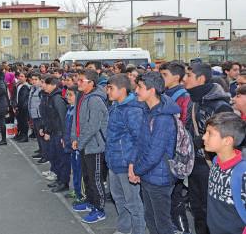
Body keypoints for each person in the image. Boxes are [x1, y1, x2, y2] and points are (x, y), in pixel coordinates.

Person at [183, 63, 234, 234]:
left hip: (212, 166)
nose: (185, 79)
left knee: (211, 212)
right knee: (197, 210)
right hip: (195, 165)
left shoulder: (220, 106)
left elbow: (226, 139)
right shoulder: (195, 101)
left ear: (201, 79)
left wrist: (194, 142)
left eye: (189, 75)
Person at [132, 71, 179, 234]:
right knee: (151, 219)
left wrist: (136, 170)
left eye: (140, 87)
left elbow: (154, 154)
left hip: (160, 178)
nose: (136, 90)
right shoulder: (149, 111)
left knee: (162, 224)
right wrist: (135, 167)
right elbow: (141, 143)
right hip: (148, 175)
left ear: (152, 90)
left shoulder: (163, 118)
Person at [106, 74, 146, 234]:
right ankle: (124, 228)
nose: (107, 91)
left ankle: (138, 230)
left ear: (122, 90)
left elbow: (138, 139)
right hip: (114, 160)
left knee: (133, 203)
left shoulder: (133, 110)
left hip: (126, 163)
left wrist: (133, 164)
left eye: (111, 88)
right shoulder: (116, 106)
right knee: (119, 198)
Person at [72, 69, 108, 224]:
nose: (78, 82)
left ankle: (99, 209)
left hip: (95, 146)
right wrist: (74, 137)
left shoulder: (95, 100)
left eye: (81, 80)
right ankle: (90, 202)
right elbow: (76, 120)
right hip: (84, 144)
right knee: (86, 177)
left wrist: (80, 142)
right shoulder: (82, 96)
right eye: (78, 80)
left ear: (91, 83)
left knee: (95, 179)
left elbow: (93, 126)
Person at [160, 61, 192, 234]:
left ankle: (182, 229)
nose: (161, 78)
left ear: (177, 77)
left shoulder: (183, 96)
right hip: (163, 151)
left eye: (165, 75)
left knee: (176, 198)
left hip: (175, 153)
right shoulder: (163, 93)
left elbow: (183, 125)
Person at [203, 112, 246, 234]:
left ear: (227, 141)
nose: (204, 137)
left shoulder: (242, 172)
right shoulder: (216, 161)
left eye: (210, 134)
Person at [42, 77, 68, 193]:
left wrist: (64, 136)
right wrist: (47, 130)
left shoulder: (57, 98)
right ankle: (59, 179)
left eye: (46, 84)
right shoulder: (50, 97)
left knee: (62, 159)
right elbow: (50, 117)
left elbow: (62, 118)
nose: (44, 86)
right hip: (53, 132)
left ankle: (64, 182)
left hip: (59, 133)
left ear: (53, 85)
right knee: (55, 157)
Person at [64, 86, 84, 203]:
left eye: (71, 95)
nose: (68, 97)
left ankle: (81, 194)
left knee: (80, 171)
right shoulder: (70, 108)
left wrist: (76, 142)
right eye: (67, 94)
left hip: (77, 145)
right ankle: (76, 190)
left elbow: (78, 130)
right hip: (71, 144)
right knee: (75, 169)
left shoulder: (79, 111)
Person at [29, 73, 44, 158]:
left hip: (39, 116)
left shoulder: (41, 90)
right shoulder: (32, 88)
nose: (34, 81)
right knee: (37, 135)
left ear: (40, 80)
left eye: (36, 79)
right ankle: (41, 150)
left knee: (41, 135)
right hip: (33, 115)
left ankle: (44, 154)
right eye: (33, 79)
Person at [12, 71, 30, 142]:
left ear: (26, 78)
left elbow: (23, 99)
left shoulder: (26, 86)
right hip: (18, 107)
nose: (20, 78)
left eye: (22, 76)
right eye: (19, 76)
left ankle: (25, 136)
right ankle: (20, 135)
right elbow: (14, 96)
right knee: (20, 122)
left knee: (24, 122)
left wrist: (18, 107)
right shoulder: (18, 85)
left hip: (23, 108)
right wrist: (14, 105)